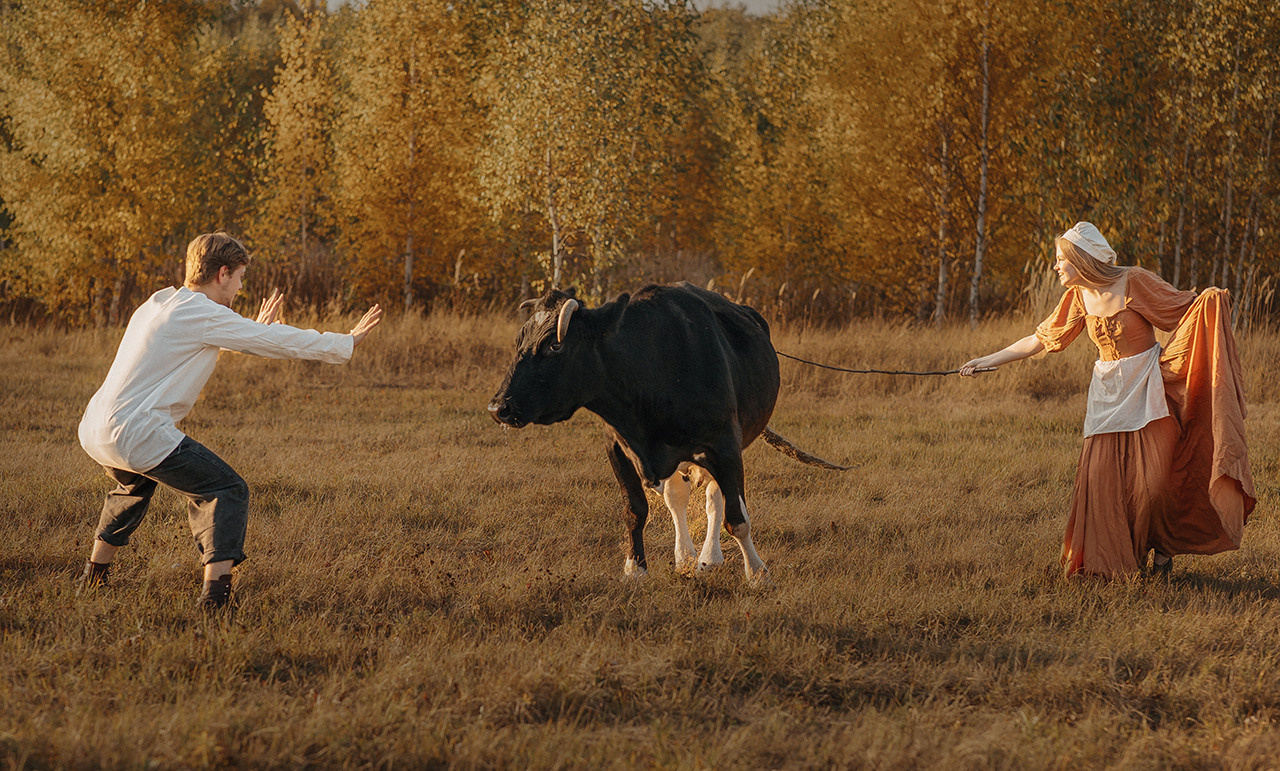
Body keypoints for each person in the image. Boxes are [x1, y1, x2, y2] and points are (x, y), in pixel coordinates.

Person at [76, 232, 383, 609]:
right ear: (222, 273)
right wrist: (345, 342)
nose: (239, 287)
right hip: (135, 432)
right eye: (239, 278)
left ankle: (92, 579)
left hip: (96, 429)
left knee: (134, 486)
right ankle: (216, 599)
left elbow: (193, 344)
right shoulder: (203, 313)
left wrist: (252, 327)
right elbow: (272, 343)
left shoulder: (158, 303)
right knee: (226, 490)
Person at [959, 222, 1255, 579]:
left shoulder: (1134, 281)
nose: (1055, 267)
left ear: (1080, 259)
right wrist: (986, 360)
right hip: (1106, 398)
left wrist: (1211, 300)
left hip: (1147, 391)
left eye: (1059, 260)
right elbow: (1041, 339)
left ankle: (1162, 552)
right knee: (1105, 486)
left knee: (1155, 486)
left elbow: (1186, 311)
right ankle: (1116, 563)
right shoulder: (1078, 296)